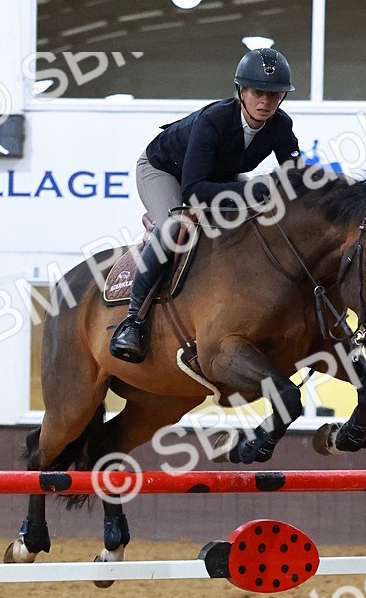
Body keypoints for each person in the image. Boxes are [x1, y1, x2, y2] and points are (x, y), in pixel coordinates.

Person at [109, 47, 301, 363]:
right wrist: (257, 189)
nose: (266, 101)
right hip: (164, 170)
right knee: (174, 226)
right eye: (258, 92)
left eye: (275, 94)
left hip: (217, 176)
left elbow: (295, 177)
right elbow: (194, 192)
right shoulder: (214, 120)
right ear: (241, 91)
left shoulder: (280, 125)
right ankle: (133, 320)